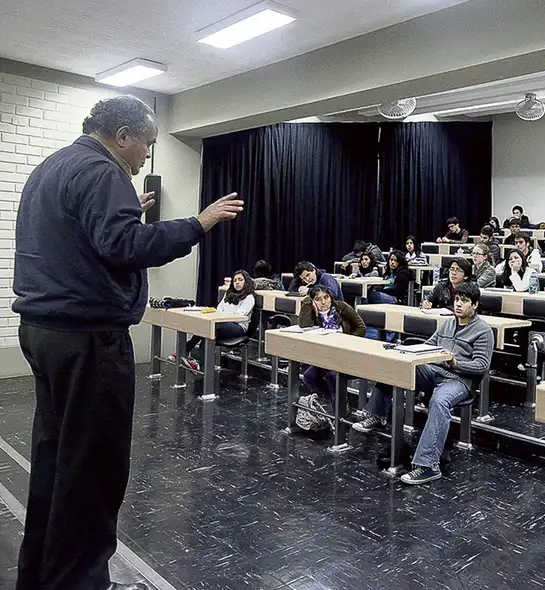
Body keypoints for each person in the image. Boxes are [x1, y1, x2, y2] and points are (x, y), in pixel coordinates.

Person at [12, 94, 243, 590]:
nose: (146, 157)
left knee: (56, 462)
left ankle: (44, 575)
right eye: (148, 145)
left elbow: (84, 238)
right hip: (88, 340)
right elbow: (126, 246)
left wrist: (124, 215)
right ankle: (84, 582)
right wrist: (198, 223)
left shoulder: (53, 166)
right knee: (93, 468)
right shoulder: (102, 172)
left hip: (44, 332)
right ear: (123, 136)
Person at [353, 282, 494, 485]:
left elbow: (481, 365)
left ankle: (428, 466)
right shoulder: (447, 323)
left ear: (475, 305)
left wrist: (456, 363)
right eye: (457, 300)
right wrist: (410, 352)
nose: (459, 305)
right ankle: (376, 414)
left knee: (439, 401)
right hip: (434, 371)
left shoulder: (483, 331)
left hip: (459, 380)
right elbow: (429, 345)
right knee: (397, 366)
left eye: (465, 301)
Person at [298, 285, 367, 404]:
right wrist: (307, 303)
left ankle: (339, 406)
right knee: (309, 377)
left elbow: (361, 328)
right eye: (318, 299)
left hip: (345, 354)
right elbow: (304, 325)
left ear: (331, 297)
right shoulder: (313, 312)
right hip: (324, 356)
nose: (324, 302)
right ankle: (335, 401)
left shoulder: (342, 308)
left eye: (326, 297)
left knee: (333, 376)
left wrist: (346, 342)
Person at [176, 270, 256, 372]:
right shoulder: (228, 293)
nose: (237, 282)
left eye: (240, 280)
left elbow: (239, 315)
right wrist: (222, 316)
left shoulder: (249, 298)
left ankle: (186, 350)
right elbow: (219, 308)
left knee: (210, 328)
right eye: (235, 280)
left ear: (246, 282)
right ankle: (198, 363)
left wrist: (223, 316)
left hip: (238, 327)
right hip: (222, 324)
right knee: (207, 331)